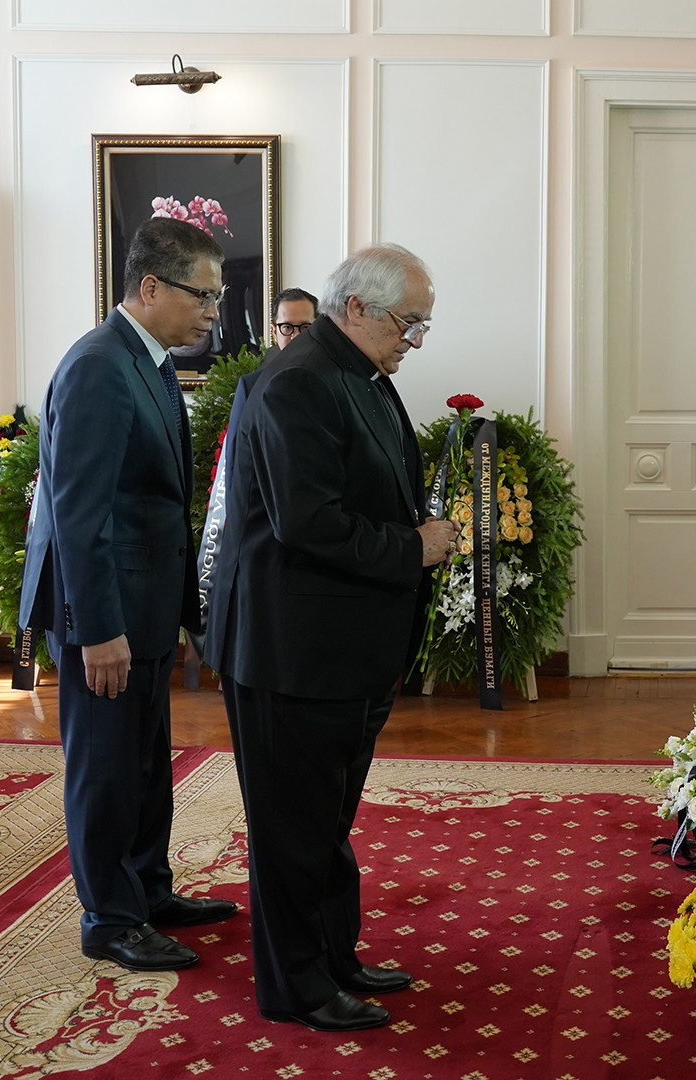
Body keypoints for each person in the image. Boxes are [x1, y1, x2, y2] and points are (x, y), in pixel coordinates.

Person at [201, 244, 460, 1033]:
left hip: (343, 648)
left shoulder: (360, 376)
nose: (415, 339)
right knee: (292, 829)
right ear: (356, 309)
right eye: (408, 323)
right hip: (292, 652)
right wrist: (414, 547)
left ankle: (334, 954)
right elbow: (307, 523)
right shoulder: (296, 383)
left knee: (326, 820)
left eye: (422, 325)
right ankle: (295, 986)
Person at [19, 217, 238, 973]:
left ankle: (147, 890)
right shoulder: (98, 366)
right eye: (203, 295)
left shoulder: (144, 361)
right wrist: (97, 629)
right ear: (151, 287)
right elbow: (80, 515)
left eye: (218, 295)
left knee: (144, 763)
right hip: (105, 616)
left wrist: (175, 612)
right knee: (107, 767)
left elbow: (152, 501)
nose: (214, 310)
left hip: (140, 607)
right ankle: (109, 919)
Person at [269, 287, 318, 353]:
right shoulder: (267, 362)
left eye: (305, 327)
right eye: (287, 327)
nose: (296, 337)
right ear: (274, 332)